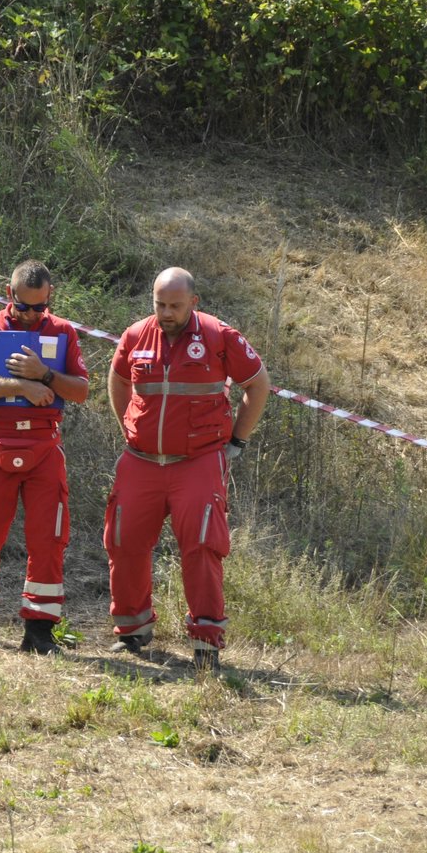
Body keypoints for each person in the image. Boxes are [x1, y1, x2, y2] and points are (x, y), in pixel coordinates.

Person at [104, 267, 271, 672]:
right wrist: (129, 425)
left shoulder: (219, 336)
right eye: (159, 304)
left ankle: (205, 642)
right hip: (141, 460)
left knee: (201, 546)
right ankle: (132, 631)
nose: (166, 313)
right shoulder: (135, 335)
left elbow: (258, 384)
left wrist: (236, 441)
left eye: (175, 306)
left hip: (197, 462)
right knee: (123, 540)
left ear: (193, 303)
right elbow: (117, 378)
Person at [0, 260, 90, 653]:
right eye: (23, 305)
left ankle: (39, 631)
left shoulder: (62, 332)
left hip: (45, 446)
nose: (31, 314)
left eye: (39, 307)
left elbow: (80, 390)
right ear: (8, 293)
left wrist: (44, 374)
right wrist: (20, 385)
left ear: (50, 299)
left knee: (48, 538)